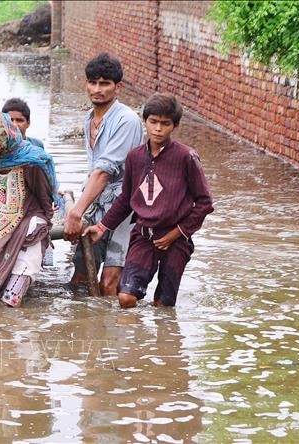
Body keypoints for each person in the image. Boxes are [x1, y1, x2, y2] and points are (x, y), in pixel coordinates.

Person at [83, 93, 214, 308]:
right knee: (126, 297)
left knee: (164, 305)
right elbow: (126, 199)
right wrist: (103, 226)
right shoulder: (135, 157)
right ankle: (135, 341)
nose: (158, 129)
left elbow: (204, 203)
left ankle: (162, 342)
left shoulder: (186, 157)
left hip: (176, 238)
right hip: (144, 235)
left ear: (175, 126)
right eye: (153, 122)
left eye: (165, 124)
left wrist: (175, 234)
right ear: (145, 122)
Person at [0, 109, 60, 307]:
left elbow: (44, 202)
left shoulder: (31, 162)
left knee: (11, 299)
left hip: (26, 227)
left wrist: (43, 234)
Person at [63, 53, 144, 296]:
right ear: (86, 84)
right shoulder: (89, 119)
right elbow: (94, 172)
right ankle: (87, 326)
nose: (97, 90)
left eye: (105, 84)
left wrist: (76, 211)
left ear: (117, 87)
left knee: (109, 282)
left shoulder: (127, 120)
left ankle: (112, 330)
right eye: (93, 82)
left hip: (124, 206)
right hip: (96, 203)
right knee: (79, 277)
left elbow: (103, 172)